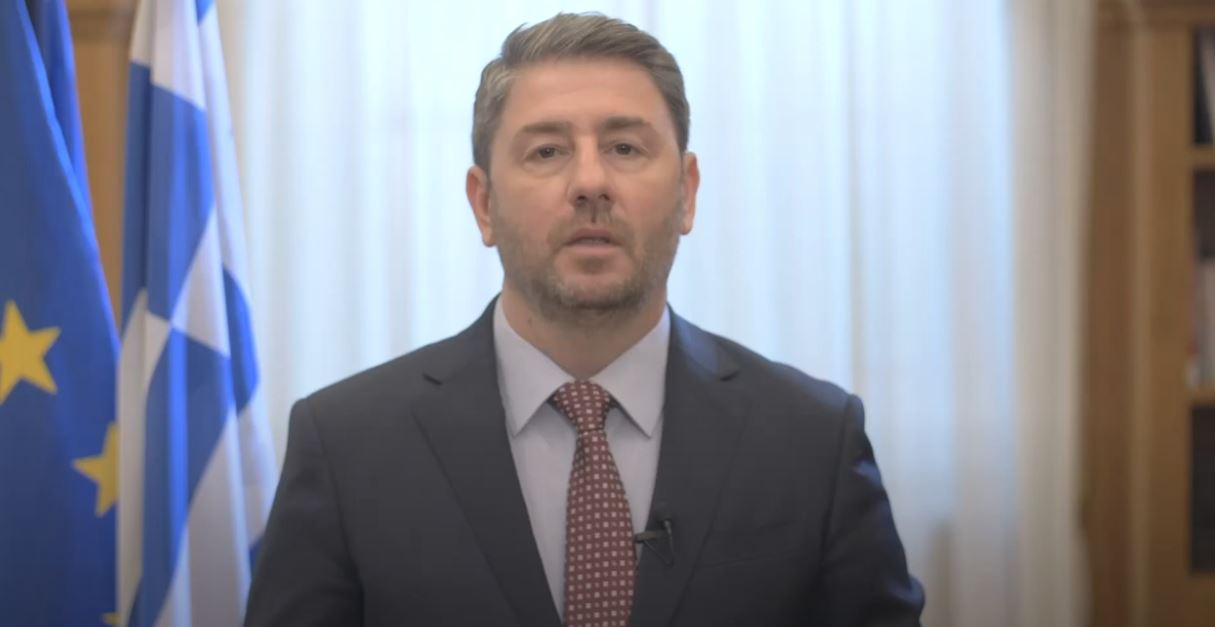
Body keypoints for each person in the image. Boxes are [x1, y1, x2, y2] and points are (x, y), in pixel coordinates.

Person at [245, 12, 924, 627]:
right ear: (483, 204)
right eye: (547, 151)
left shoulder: (812, 439)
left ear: (686, 193)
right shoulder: (345, 445)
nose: (591, 182)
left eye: (625, 147)